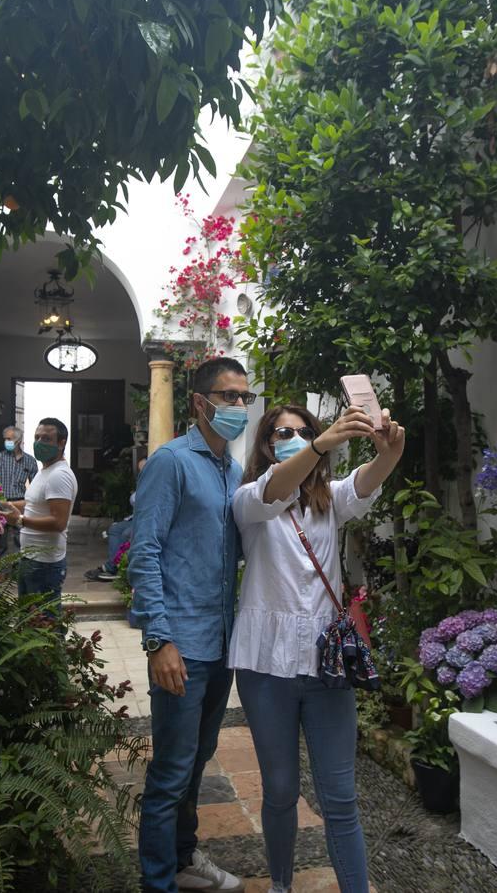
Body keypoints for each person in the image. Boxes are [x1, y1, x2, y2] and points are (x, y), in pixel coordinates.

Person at [228, 402, 405, 893]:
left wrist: (390, 452)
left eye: (302, 431)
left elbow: (366, 482)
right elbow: (276, 488)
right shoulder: (250, 499)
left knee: (340, 797)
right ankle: (282, 885)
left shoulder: (330, 499)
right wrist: (321, 442)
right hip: (267, 667)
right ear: (266, 443)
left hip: (327, 666)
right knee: (281, 791)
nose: (293, 436)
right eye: (282, 432)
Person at [128, 356, 256, 893]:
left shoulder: (231, 469)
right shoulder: (172, 462)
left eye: (245, 397)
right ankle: (158, 881)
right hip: (180, 640)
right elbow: (146, 552)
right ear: (200, 404)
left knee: (198, 760)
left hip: (220, 640)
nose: (240, 407)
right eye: (230, 397)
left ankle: (183, 856)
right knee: (171, 772)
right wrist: (159, 640)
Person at [1, 418, 78, 612]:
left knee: (45, 624)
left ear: (62, 443)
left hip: (44, 564)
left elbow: (58, 522)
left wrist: (19, 520)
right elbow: (34, 503)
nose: (39, 442)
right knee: (31, 623)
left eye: (46, 438)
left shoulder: (59, 475)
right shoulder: (46, 471)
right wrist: (1, 505)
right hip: (32, 559)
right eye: (37, 437)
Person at [84, 452, 148, 582]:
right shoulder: (142, 482)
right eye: (140, 471)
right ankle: (113, 566)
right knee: (115, 529)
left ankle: (112, 568)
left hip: (148, 520)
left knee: (126, 534)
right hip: (135, 518)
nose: (142, 473)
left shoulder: (157, 482)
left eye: (145, 469)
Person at [0, 425, 38, 553]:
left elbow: (35, 487)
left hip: (19, 503)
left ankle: (19, 567)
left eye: (9, 439)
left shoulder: (29, 461)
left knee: (21, 538)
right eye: (5, 439)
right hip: (1, 502)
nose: (6, 442)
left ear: (18, 440)